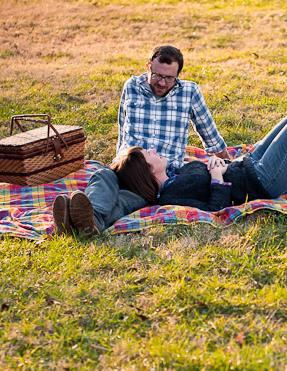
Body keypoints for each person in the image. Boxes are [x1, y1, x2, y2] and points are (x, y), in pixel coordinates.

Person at [54, 44, 231, 236]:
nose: (162, 83)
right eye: (157, 75)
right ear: (148, 67)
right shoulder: (131, 87)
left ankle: (83, 220)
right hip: (127, 166)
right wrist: (118, 160)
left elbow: (209, 132)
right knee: (104, 176)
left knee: (125, 200)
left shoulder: (189, 92)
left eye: (169, 78)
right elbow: (123, 130)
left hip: (155, 178)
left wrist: (228, 162)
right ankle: (89, 221)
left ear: (178, 74)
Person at [110, 101, 287, 213]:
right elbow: (213, 209)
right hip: (264, 180)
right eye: (149, 154)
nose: (154, 151)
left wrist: (215, 164)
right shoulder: (170, 197)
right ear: (145, 171)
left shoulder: (173, 175)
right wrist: (217, 176)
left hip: (248, 165)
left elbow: (207, 173)